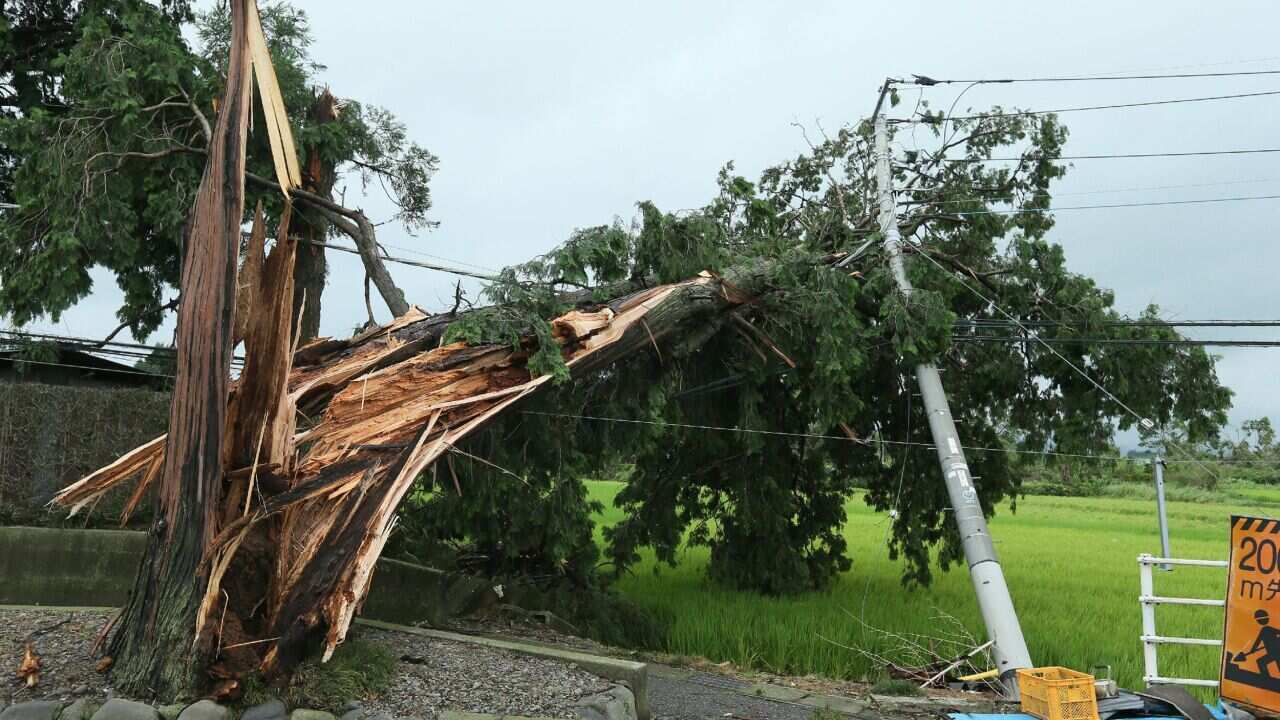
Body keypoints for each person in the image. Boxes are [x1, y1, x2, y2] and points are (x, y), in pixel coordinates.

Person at [1236, 609, 1280, 679]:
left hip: (1275, 652)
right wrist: (1253, 650)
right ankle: (1266, 678)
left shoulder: (1266, 629)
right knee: (1261, 662)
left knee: (1261, 662)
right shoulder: (1265, 630)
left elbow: (1257, 642)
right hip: (1273, 653)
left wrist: (1253, 649)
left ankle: (1266, 678)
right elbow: (1257, 642)